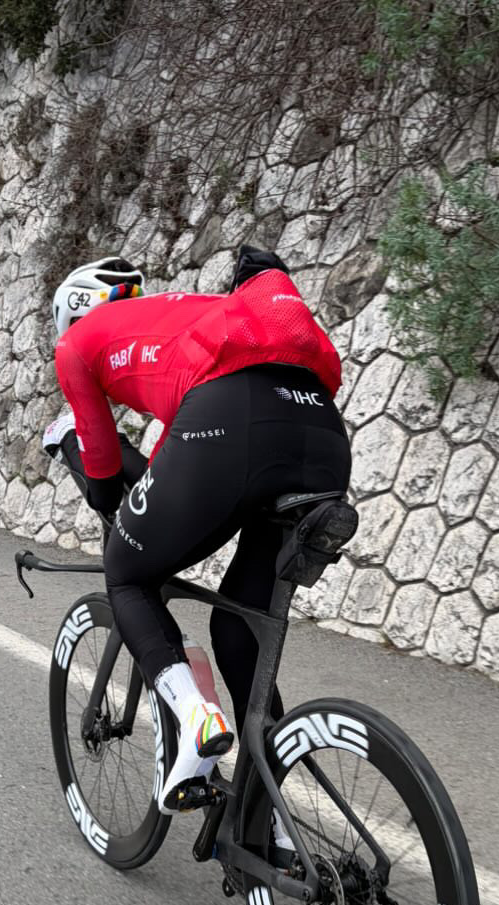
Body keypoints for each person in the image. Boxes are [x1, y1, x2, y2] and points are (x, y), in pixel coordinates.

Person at [43, 246, 351, 822]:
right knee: (237, 627)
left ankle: (195, 716)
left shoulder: (77, 346)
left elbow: (109, 481)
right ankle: (271, 823)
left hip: (229, 424)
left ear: (71, 316)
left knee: (128, 573)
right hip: (322, 436)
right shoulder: (199, 320)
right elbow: (169, 467)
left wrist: (71, 447)